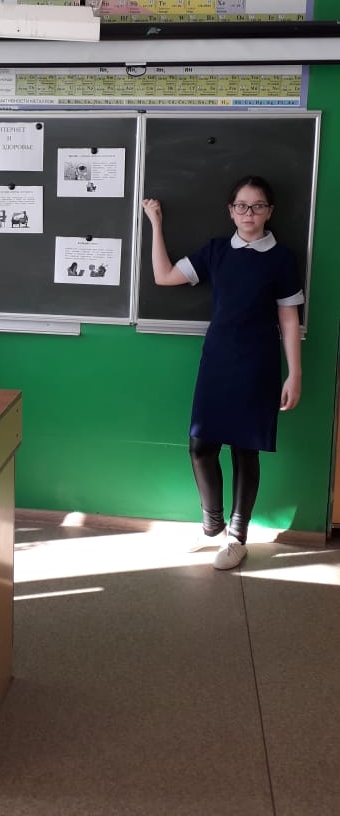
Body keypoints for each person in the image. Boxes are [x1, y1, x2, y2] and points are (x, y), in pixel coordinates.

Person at [142, 175, 303, 570]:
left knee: (245, 449)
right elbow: (164, 276)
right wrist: (156, 224)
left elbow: (288, 319)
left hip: (258, 363)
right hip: (216, 360)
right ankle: (212, 526)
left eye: (258, 205)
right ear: (231, 211)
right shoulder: (216, 251)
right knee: (201, 446)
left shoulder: (281, 258)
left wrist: (294, 374)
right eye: (242, 206)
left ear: (269, 211)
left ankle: (237, 537)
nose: (249, 213)